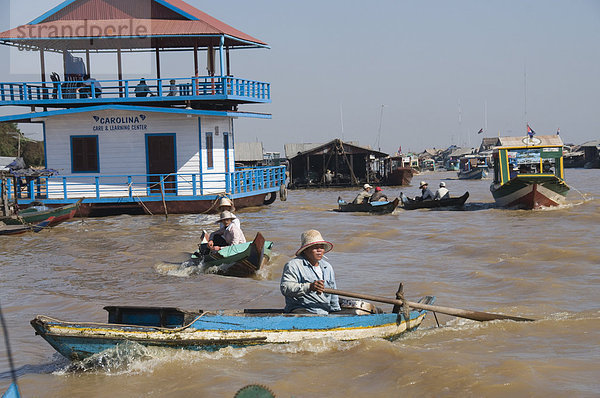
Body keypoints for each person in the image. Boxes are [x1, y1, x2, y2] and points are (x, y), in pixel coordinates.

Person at [280, 230, 341, 314]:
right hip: (302, 309)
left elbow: (333, 292)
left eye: (321, 247)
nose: (319, 250)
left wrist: (336, 311)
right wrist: (310, 287)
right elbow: (286, 288)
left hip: (323, 311)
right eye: (315, 247)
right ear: (305, 250)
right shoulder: (293, 265)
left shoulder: (327, 267)